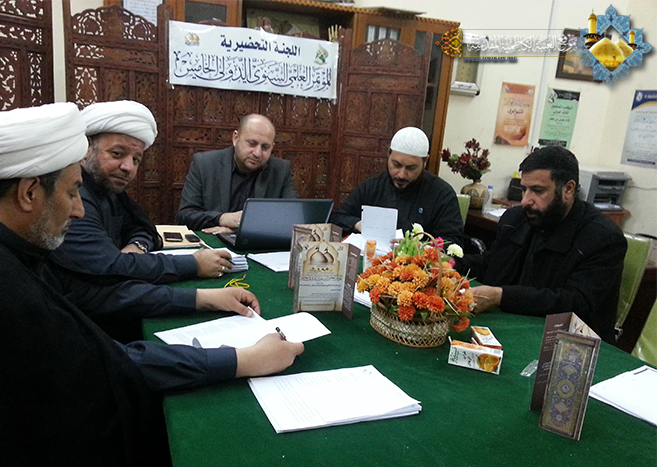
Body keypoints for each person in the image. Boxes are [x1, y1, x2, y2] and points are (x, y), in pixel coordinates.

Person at [0, 103, 304, 467]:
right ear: (29, 193)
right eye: (71, 192)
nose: (79, 210)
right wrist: (243, 360)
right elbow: (107, 364)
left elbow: (89, 295)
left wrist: (199, 299)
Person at [456, 145, 627, 343]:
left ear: (568, 189)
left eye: (538, 191)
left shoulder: (603, 238)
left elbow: (575, 302)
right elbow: (495, 262)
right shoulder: (516, 218)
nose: (526, 200)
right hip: (513, 327)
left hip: (569, 343)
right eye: (524, 189)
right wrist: (450, 264)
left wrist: (500, 296)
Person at [54, 100, 232, 283]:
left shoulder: (108, 189)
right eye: (117, 154)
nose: (128, 167)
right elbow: (107, 268)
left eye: (136, 159)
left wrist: (136, 248)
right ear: (87, 148)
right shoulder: (75, 198)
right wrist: (194, 264)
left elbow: (144, 229)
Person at [330, 126, 464, 245]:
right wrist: (359, 224)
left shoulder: (441, 194)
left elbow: (453, 242)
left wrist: (416, 247)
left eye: (411, 168)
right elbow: (338, 217)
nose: (401, 175)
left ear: (425, 162)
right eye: (396, 165)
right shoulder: (372, 186)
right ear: (388, 154)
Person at [176, 113, 298, 234]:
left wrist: (239, 229)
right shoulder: (204, 164)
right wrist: (222, 218)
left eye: (265, 147)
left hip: (258, 243)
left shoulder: (281, 170)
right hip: (212, 242)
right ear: (235, 138)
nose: (257, 153)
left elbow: (293, 218)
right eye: (252, 144)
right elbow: (185, 216)